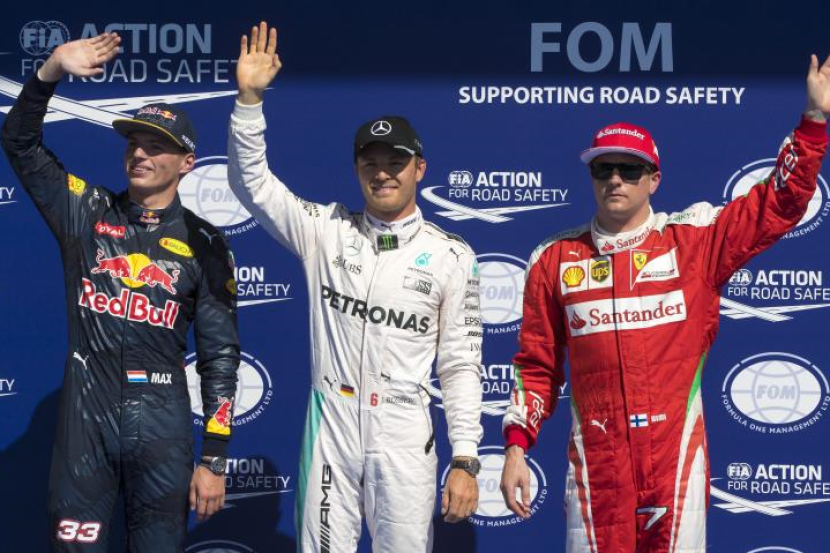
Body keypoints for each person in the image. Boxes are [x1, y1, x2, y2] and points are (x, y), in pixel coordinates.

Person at [499, 55, 830, 552]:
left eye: (629, 169)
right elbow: (537, 366)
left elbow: (778, 204)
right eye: (603, 168)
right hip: (596, 469)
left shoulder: (694, 241)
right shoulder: (554, 258)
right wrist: (515, 449)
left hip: (675, 463)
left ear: (654, 179)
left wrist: (815, 121)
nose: (615, 179)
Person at [227, 22, 483, 552]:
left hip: (404, 432)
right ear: (356, 168)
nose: (382, 173)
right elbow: (252, 185)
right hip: (332, 423)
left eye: (395, 163)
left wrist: (465, 458)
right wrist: (249, 103)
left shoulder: (452, 255)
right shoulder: (325, 230)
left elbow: (460, 364)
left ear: (420, 169)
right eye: (371, 162)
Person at [1, 33, 240, 551]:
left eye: (156, 146)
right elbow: (19, 143)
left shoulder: (206, 244)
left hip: (163, 430)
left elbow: (220, 357)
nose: (140, 153)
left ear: (187, 162)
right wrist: (50, 71)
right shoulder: (85, 211)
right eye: (134, 142)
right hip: (85, 426)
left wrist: (214, 458)